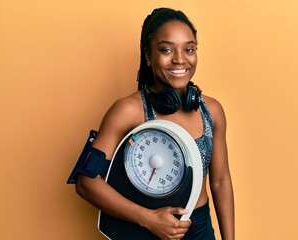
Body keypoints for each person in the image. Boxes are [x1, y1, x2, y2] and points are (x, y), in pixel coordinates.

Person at [74, 7, 235, 240]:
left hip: (199, 228)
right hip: (144, 228)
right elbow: (86, 182)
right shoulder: (128, 111)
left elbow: (220, 181)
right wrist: (148, 219)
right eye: (166, 49)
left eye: (189, 49)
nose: (180, 59)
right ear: (148, 56)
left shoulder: (212, 111)